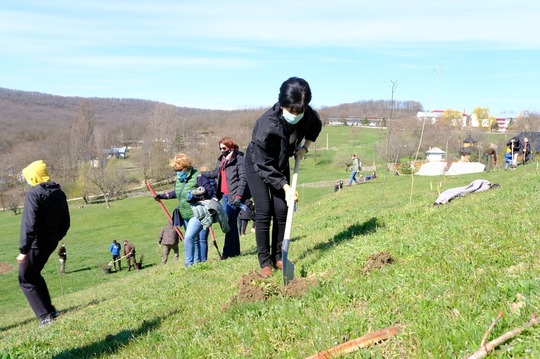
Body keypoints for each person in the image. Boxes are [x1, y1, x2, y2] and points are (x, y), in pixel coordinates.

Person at [244, 77, 322, 277]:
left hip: (280, 162)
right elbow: (263, 164)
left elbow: (316, 126)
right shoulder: (267, 125)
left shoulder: (307, 114)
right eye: (291, 110)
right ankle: (265, 262)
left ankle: (279, 256)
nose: (295, 115)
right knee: (264, 211)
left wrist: (305, 147)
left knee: (282, 210)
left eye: (299, 111)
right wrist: (285, 187)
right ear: (282, 104)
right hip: (258, 164)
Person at [17, 160, 70, 327]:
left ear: (34, 177)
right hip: (51, 241)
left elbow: (29, 224)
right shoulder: (58, 192)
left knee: (25, 278)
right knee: (35, 274)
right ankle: (50, 311)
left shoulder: (34, 195)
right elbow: (66, 221)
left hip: (36, 244)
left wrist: (24, 250)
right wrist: (56, 236)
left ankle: (45, 317)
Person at [154, 153, 213, 267]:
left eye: (179, 169)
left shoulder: (199, 176)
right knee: (194, 240)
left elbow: (209, 192)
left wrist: (195, 196)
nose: (177, 172)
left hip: (197, 213)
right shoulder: (180, 180)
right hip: (185, 214)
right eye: (175, 170)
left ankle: (189, 264)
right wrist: (162, 196)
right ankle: (197, 265)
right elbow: (177, 193)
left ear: (185, 167)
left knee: (189, 238)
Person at [200, 137, 250, 259]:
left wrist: (239, 196)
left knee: (227, 223)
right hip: (225, 196)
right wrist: (200, 174)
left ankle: (227, 253)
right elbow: (215, 173)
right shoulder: (222, 161)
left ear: (231, 147)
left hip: (235, 196)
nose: (222, 150)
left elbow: (243, 179)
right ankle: (235, 252)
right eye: (220, 148)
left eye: (224, 148)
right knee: (231, 224)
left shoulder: (239, 159)